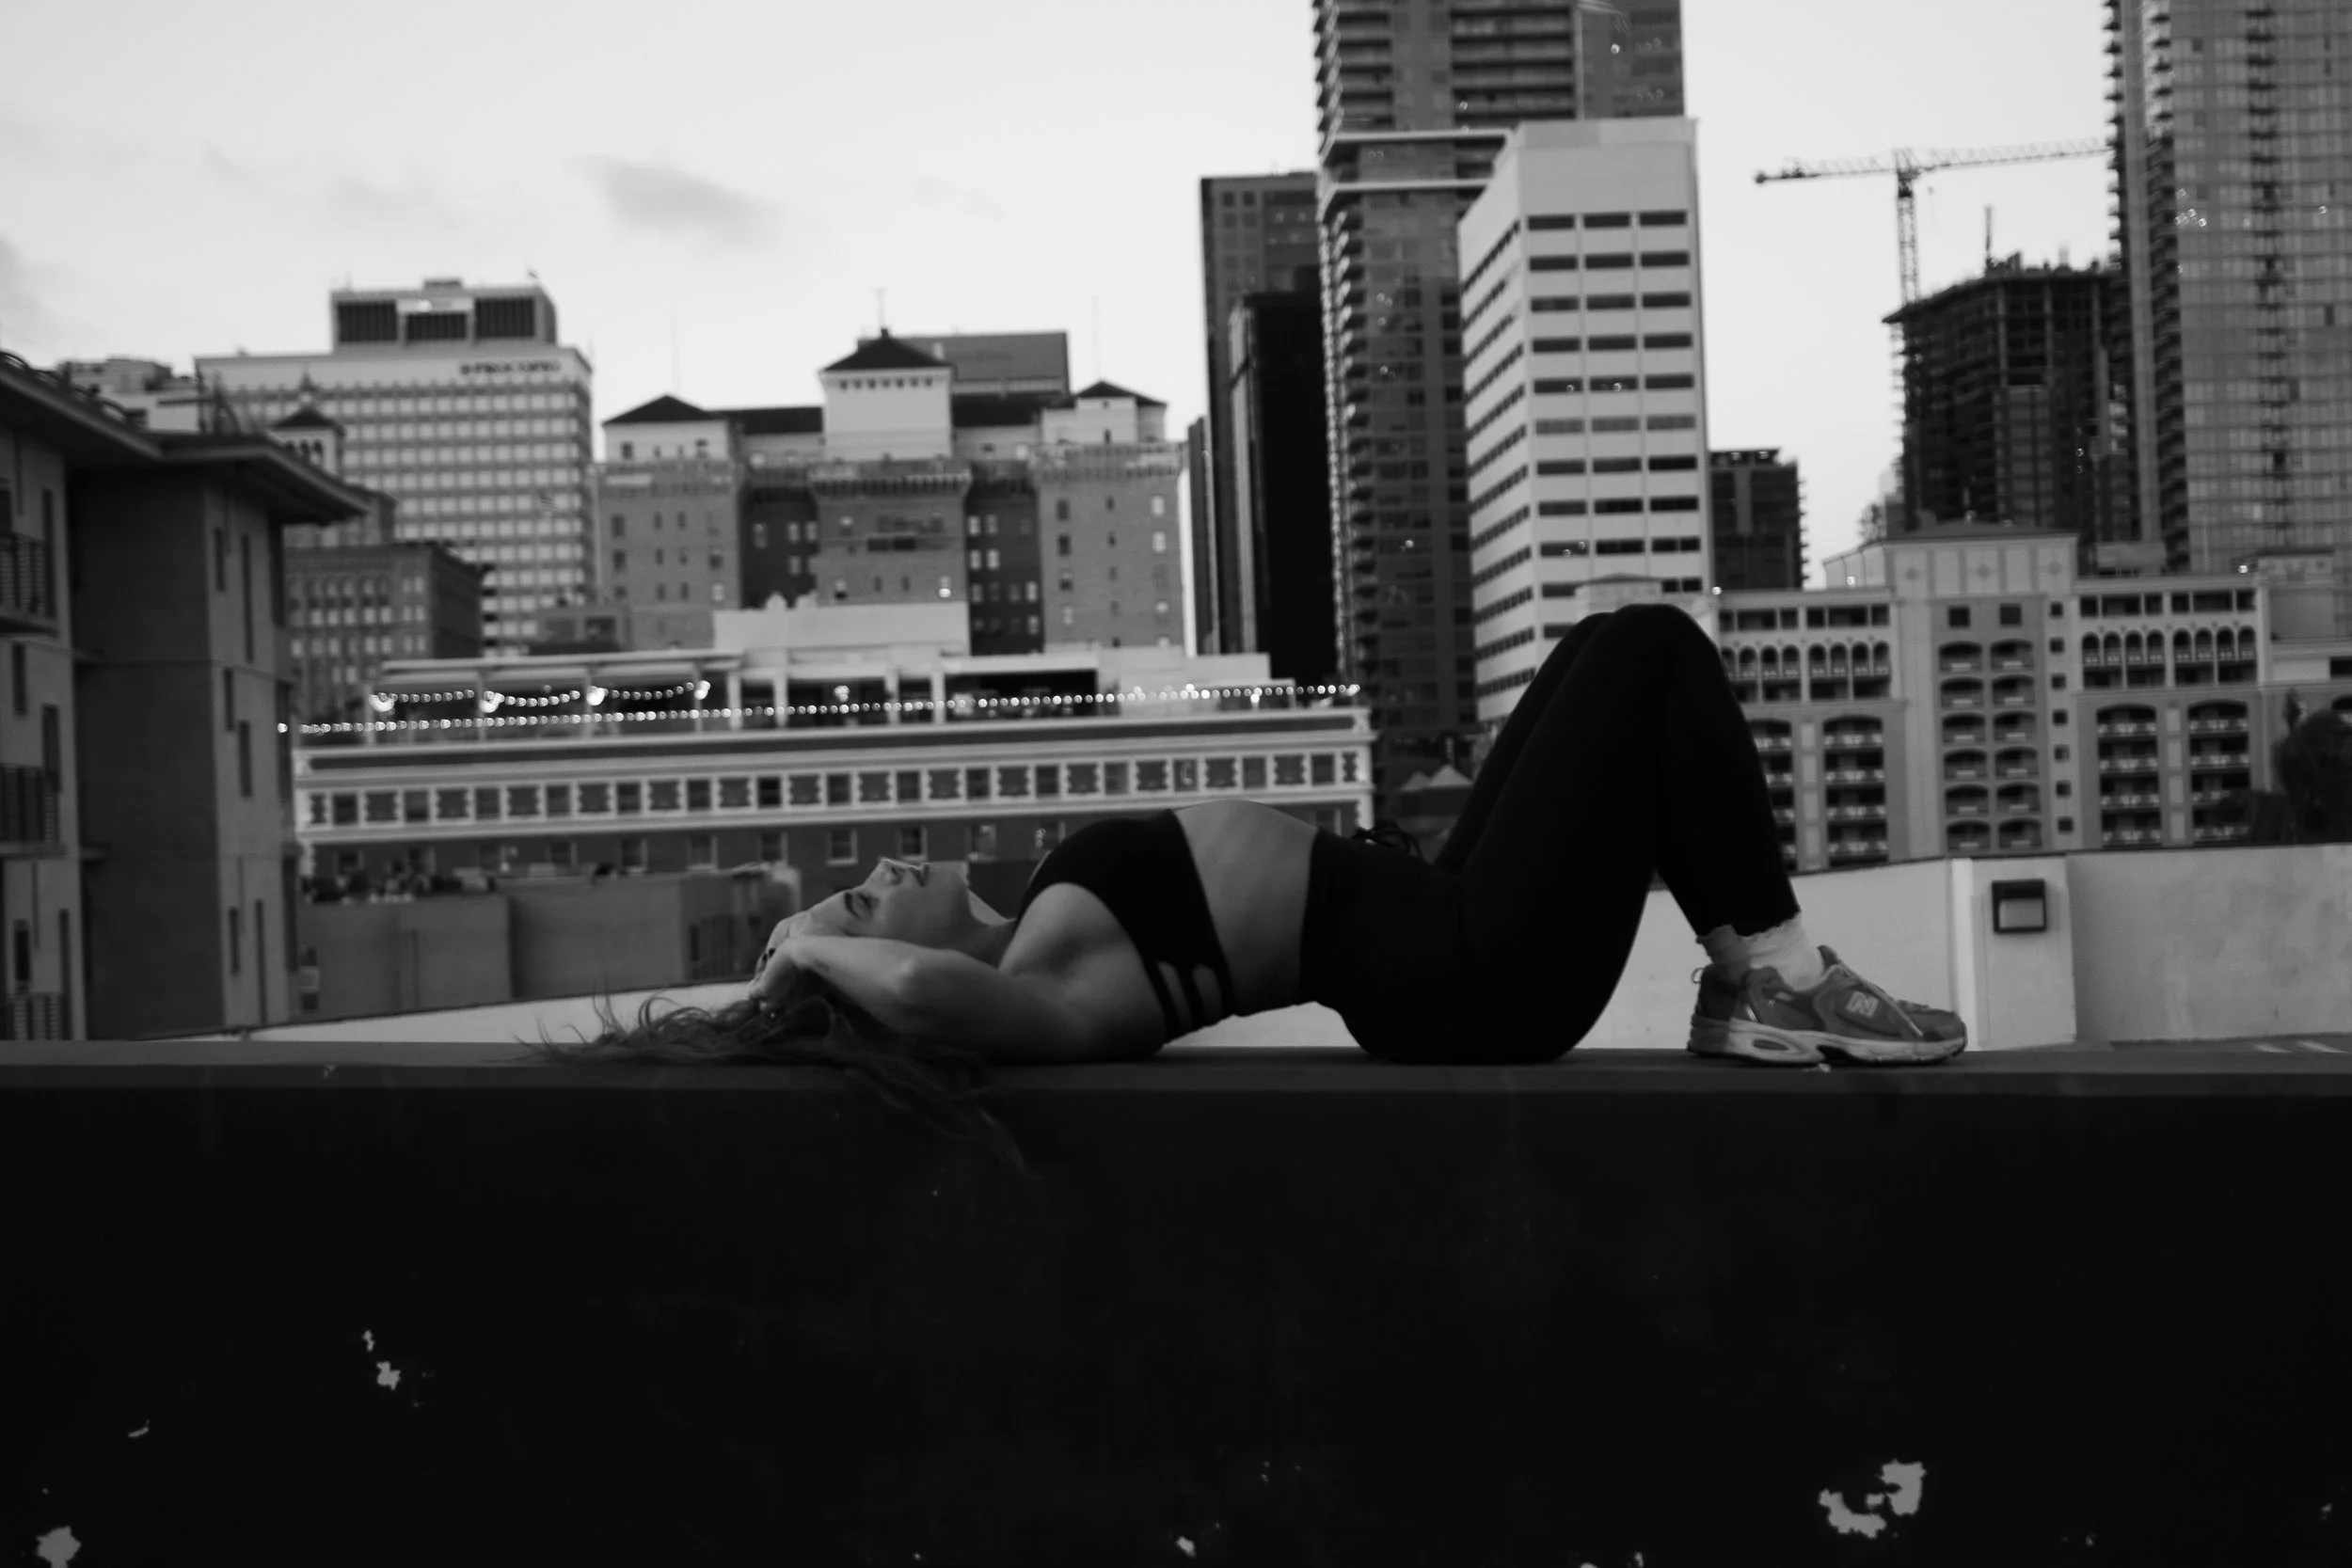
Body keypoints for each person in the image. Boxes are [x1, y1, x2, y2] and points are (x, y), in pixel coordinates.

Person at [546, 604, 1963, 1101]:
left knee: (1602, 646)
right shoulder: (1050, 983)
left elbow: (904, 980)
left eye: (852, 889)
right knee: (1654, 648)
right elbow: (912, 1002)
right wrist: (806, 949)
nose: (873, 873)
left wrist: (820, 945)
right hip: (1471, 972)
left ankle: (1755, 980)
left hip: (1440, 920)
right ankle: (1775, 975)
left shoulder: (1045, 920)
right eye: (863, 900)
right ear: (890, 954)